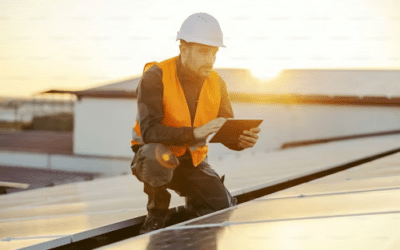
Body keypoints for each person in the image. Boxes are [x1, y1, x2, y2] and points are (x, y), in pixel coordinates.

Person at [130, 12, 260, 234]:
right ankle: (157, 211)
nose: (210, 59)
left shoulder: (217, 84)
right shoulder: (155, 76)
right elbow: (150, 131)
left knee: (221, 208)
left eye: (214, 53)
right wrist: (195, 132)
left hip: (193, 162)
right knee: (155, 156)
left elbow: (224, 129)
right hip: (156, 159)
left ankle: (191, 210)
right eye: (203, 52)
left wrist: (240, 141)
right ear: (183, 48)